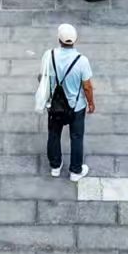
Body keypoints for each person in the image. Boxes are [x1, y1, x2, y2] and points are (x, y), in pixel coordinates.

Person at [36, 22, 96, 179]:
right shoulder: (82, 61)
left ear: (59, 39)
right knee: (76, 137)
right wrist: (91, 103)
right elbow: (87, 87)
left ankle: (55, 166)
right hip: (76, 107)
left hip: (55, 105)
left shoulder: (49, 55)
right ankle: (75, 171)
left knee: (54, 134)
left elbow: (41, 78)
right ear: (75, 40)